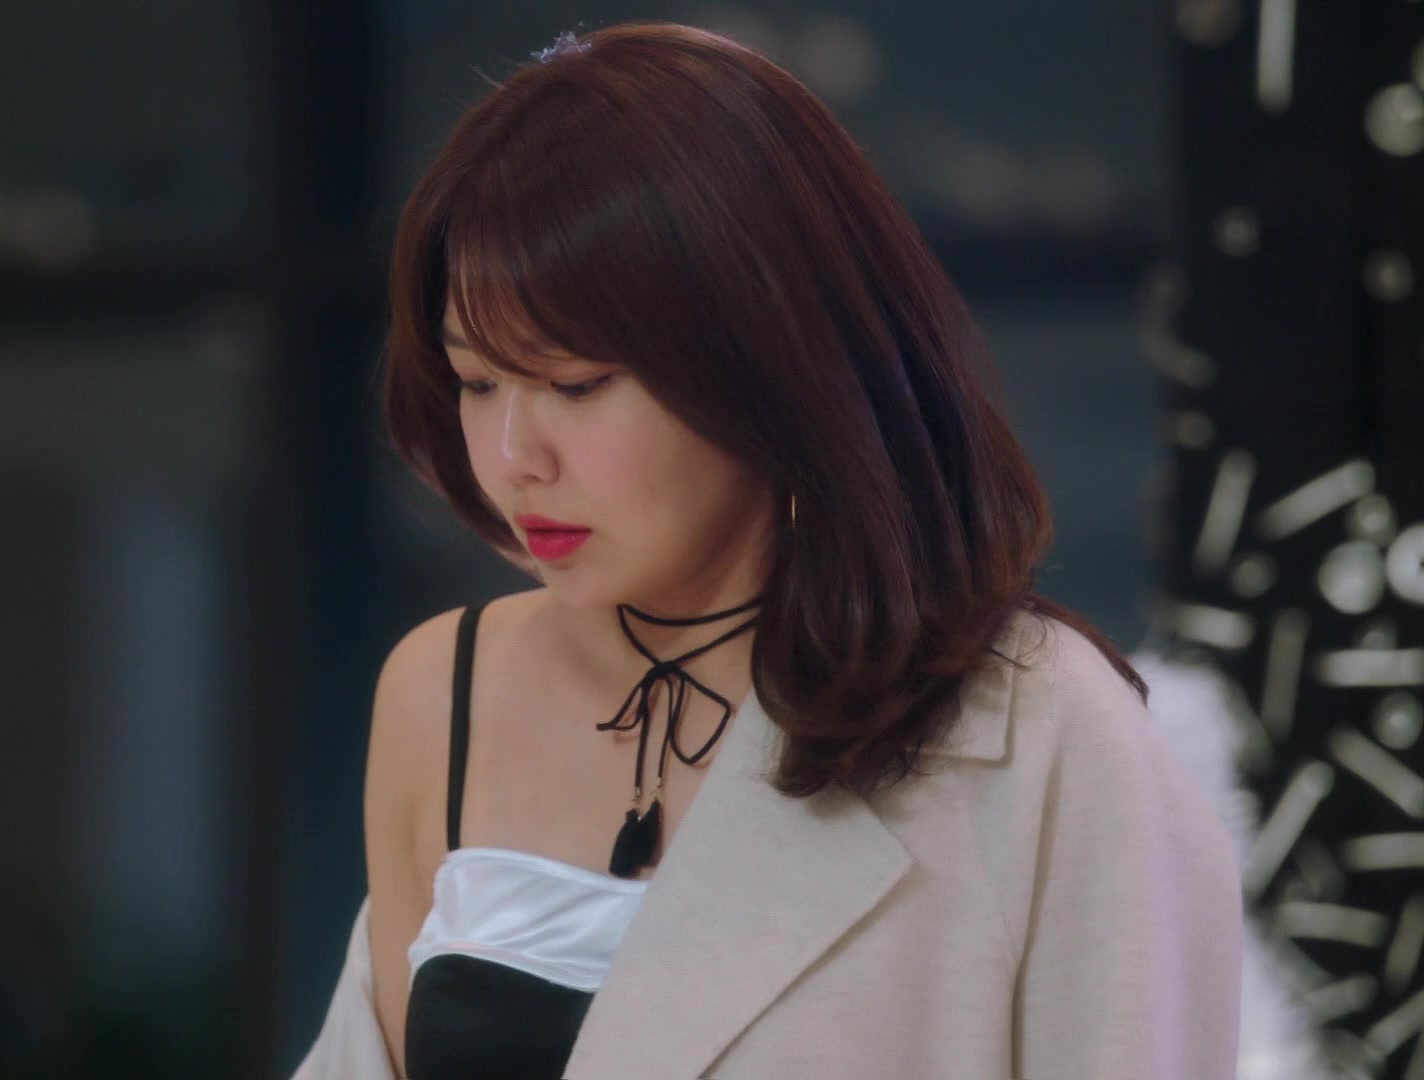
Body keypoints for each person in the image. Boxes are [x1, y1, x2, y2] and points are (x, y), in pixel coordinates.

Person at [290, 20, 1242, 1080]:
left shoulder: (1041, 729)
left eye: (576, 385)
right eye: (475, 381)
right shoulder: (445, 686)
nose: (515, 457)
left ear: (766, 359)